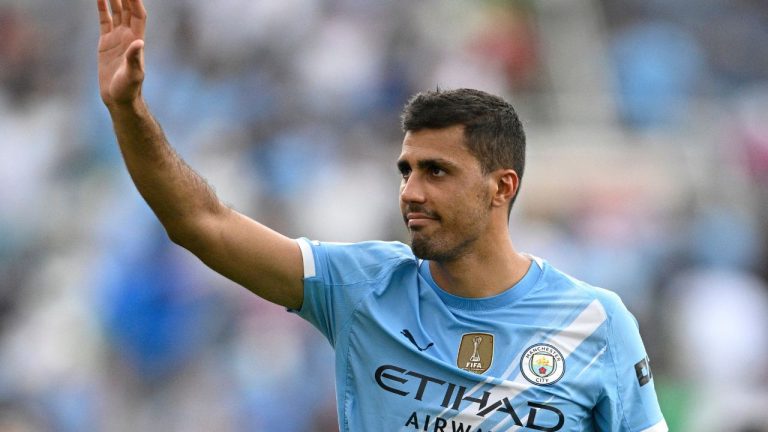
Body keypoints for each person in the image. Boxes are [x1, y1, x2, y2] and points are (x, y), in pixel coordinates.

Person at [96, 0, 668, 430]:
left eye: (436, 172)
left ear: (502, 187)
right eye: (406, 171)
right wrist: (128, 110)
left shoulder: (596, 324)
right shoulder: (360, 287)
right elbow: (201, 222)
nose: (411, 192)